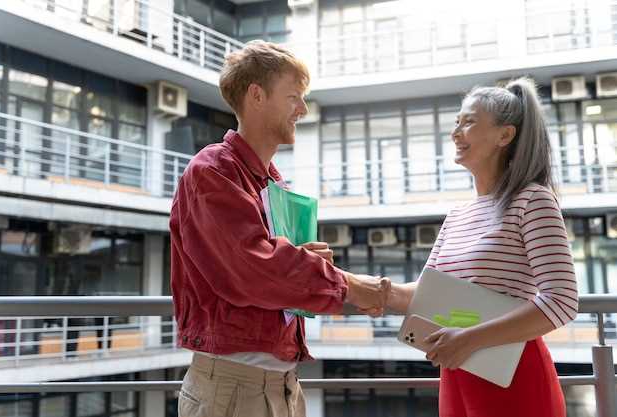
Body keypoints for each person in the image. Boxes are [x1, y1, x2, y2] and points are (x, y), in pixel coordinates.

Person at [169, 40, 389, 417]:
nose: (302, 109)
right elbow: (254, 269)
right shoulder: (212, 170)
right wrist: (347, 285)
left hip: (282, 384)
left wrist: (300, 261)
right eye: (293, 97)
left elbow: (272, 268)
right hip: (233, 389)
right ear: (257, 95)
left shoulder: (272, 181)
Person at [382, 78, 578, 417]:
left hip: (511, 373)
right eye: (457, 122)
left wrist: (469, 339)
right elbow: (425, 292)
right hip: (458, 368)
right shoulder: (457, 214)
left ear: (505, 135)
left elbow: (561, 301)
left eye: (469, 121)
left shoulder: (533, 200)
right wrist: (366, 287)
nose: (456, 132)